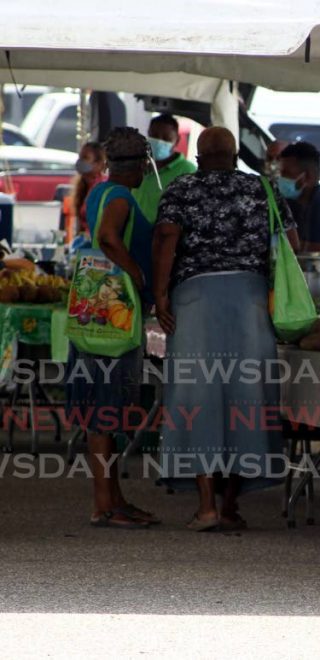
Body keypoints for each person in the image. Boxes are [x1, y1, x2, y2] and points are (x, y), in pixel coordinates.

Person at [152, 126, 297, 531]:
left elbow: (166, 237)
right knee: (246, 398)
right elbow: (293, 243)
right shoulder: (262, 190)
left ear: (198, 158)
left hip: (195, 301)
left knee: (196, 397)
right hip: (251, 302)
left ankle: (206, 507)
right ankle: (231, 504)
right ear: (236, 157)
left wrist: (161, 295)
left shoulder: (181, 190)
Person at [66, 127, 159, 529]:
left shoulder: (100, 191)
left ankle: (114, 498)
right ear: (139, 165)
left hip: (93, 306)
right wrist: (137, 274)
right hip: (113, 310)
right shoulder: (120, 195)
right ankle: (104, 504)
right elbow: (107, 238)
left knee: (101, 407)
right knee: (108, 407)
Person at [132, 114, 197, 224]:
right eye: (154, 136)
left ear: (177, 140)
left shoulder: (188, 171)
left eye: (166, 138)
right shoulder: (139, 166)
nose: (159, 141)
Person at [67, 141, 106, 240]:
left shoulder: (103, 187)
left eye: (85, 158)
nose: (80, 162)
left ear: (99, 164)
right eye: (80, 157)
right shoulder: (83, 185)